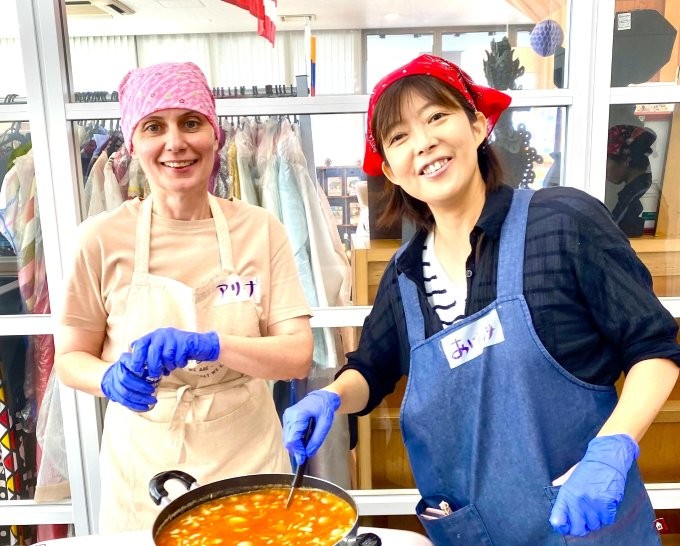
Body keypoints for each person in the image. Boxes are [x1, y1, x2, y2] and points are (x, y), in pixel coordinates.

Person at [282, 54, 680, 546]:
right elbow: (372, 369)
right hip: (478, 533)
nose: (423, 142)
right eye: (399, 137)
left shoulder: (562, 223)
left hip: (587, 524)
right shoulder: (404, 276)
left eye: (436, 116)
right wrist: (331, 397)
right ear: (390, 170)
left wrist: (612, 449)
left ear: (476, 124)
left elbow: (653, 348)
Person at [54, 62, 313, 532]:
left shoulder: (260, 229)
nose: (175, 143)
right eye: (154, 127)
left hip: (246, 456)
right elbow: (71, 358)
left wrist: (213, 346)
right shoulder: (98, 240)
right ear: (132, 143)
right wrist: (109, 378)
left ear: (215, 134)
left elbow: (297, 355)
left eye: (191, 122)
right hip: (142, 467)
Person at [606, 124, 657, 237]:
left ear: (626, 160)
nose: (603, 167)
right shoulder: (640, 190)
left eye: (606, 160)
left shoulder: (637, 198)